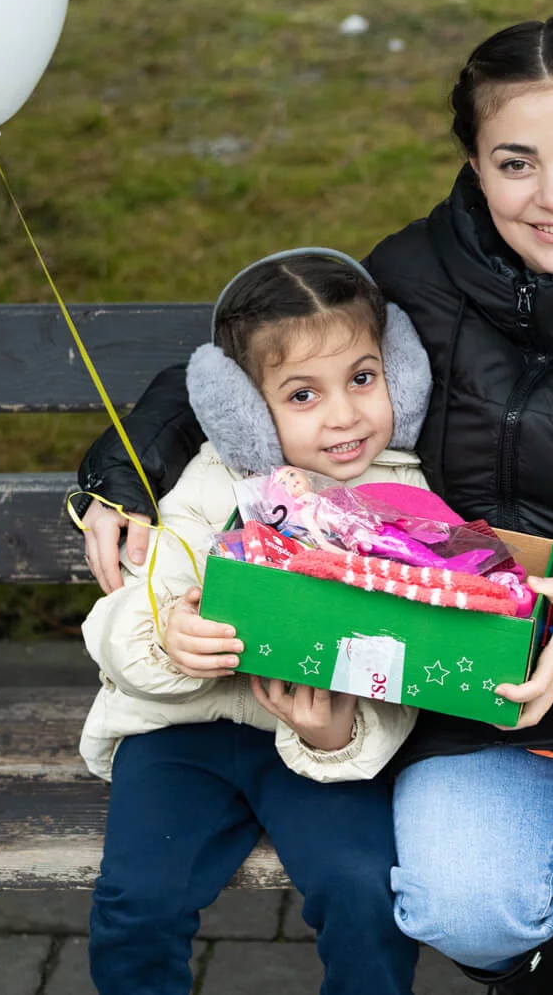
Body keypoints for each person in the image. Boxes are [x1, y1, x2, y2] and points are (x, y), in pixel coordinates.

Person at [72, 13, 553, 995]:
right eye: (516, 162)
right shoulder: (419, 278)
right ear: (473, 161)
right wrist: (117, 481)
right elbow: (248, 368)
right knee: (461, 900)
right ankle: (541, 979)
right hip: (464, 672)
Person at [79, 249, 442, 994]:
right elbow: (123, 617)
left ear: (397, 374)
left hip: (320, 739)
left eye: (363, 379)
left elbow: (414, 662)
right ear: (241, 406)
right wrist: (170, 641)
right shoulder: (209, 485)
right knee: (136, 902)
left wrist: (335, 735)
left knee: (365, 890)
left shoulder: (412, 508)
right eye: (302, 394)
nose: (344, 415)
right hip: (183, 735)